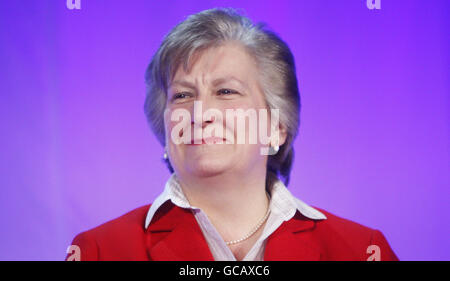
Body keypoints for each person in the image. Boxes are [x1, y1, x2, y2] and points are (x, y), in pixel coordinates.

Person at [66, 7, 398, 261]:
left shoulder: (361, 250)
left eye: (226, 92)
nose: (200, 114)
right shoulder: (99, 251)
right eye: (182, 96)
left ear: (276, 127)